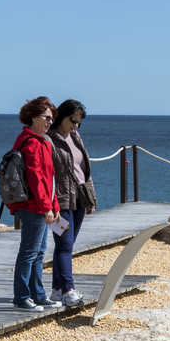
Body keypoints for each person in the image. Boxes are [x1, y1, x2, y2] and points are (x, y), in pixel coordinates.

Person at [6, 96, 61, 310]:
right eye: (46, 118)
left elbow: (50, 178)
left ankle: (38, 294)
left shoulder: (42, 142)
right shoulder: (30, 142)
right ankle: (21, 297)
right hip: (31, 206)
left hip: (40, 205)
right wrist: (46, 206)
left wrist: (54, 205)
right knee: (29, 252)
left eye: (51, 118)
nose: (50, 122)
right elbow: (36, 178)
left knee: (38, 252)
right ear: (33, 118)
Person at [47, 98, 98, 309]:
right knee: (65, 244)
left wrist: (91, 198)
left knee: (66, 245)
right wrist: (50, 204)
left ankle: (57, 290)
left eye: (79, 122)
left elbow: (85, 170)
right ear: (62, 116)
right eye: (73, 120)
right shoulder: (50, 140)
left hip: (79, 197)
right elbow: (46, 174)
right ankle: (68, 290)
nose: (75, 125)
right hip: (60, 200)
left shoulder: (76, 136)